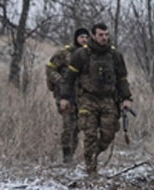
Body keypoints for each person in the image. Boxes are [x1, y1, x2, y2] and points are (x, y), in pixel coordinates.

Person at [56, 23, 133, 176]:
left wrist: (126, 98)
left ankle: (94, 154)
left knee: (108, 133)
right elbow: (69, 78)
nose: (104, 38)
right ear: (93, 35)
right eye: (100, 35)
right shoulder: (81, 54)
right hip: (87, 98)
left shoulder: (115, 55)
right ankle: (91, 169)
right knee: (90, 134)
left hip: (108, 99)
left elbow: (122, 79)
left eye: (106, 35)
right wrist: (64, 97)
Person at [45, 27, 89, 164]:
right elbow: (50, 68)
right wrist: (61, 82)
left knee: (77, 127)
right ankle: (66, 156)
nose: (84, 40)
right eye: (82, 37)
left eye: (86, 37)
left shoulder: (89, 54)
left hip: (81, 96)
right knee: (68, 125)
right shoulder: (65, 53)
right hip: (65, 95)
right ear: (76, 38)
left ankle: (72, 154)